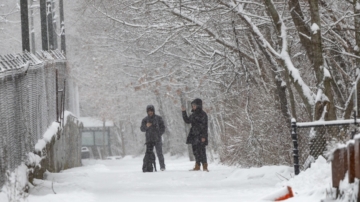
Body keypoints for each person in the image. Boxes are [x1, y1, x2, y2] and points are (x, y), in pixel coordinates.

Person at [182, 98, 209, 172]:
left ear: (198, 105)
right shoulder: (193, 115)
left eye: (194, 105)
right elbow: (187, 121)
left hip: (201, 135)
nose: (193, 107)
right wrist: (184, 112)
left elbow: (205, 126)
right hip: (194, 135)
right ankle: (197, 165)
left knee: (202, 151)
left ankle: (205, 165)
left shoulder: (203, 114)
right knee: (195, 151)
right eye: (192, 106)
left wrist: (204, 136)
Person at [140, 105, 166, 171]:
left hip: (157, 139)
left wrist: (159, 134)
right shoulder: (145, 120)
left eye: (151, 111)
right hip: (149, 140)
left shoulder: (158, 118)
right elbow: (142, 129)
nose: (150, 112)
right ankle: (149, 167)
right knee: (148, 154)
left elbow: (163, 128)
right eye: (149, 111)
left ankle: (162, 167)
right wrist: (146, 126)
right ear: (147, 112)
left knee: (159, 153)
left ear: (153, 111)